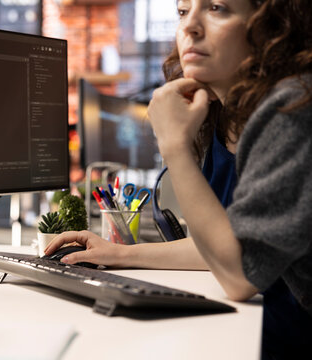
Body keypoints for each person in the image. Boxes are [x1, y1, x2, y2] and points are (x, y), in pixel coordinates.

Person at [45, 0, 312, 357]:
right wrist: (118, 254)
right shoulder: (222, 114)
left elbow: (240, 275)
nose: (190, 27)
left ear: (273, 27)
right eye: (183, 11)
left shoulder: (291, 108)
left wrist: (173, 145)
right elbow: (229, 245)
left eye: (217, 8)